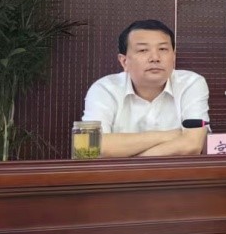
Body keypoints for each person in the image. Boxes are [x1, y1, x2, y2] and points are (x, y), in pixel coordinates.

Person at [82, 19, 210, 157]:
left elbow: (191, 145)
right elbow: (92, 145)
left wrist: (129, 161)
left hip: (177, 171)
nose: (155, 58)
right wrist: (173, 135)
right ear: (124, 61)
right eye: (143, 50)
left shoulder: (190, 83)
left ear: (173, 57)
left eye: (163, 49)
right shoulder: (104, 89)